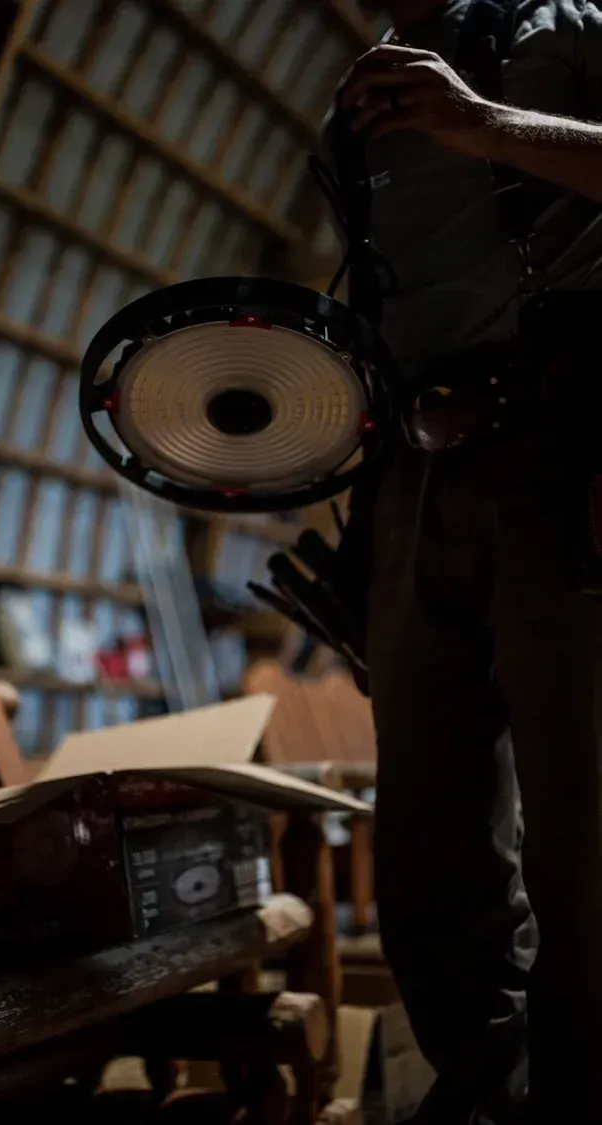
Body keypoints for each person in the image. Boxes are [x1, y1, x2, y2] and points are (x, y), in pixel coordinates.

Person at [327, 2, 602, 1123]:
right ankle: (484, 1094)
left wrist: (486, 124)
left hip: (570, 457)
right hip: (412, 471)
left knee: (585, 832)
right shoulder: (359, 94)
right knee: (428, 842)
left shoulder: (577, 28)